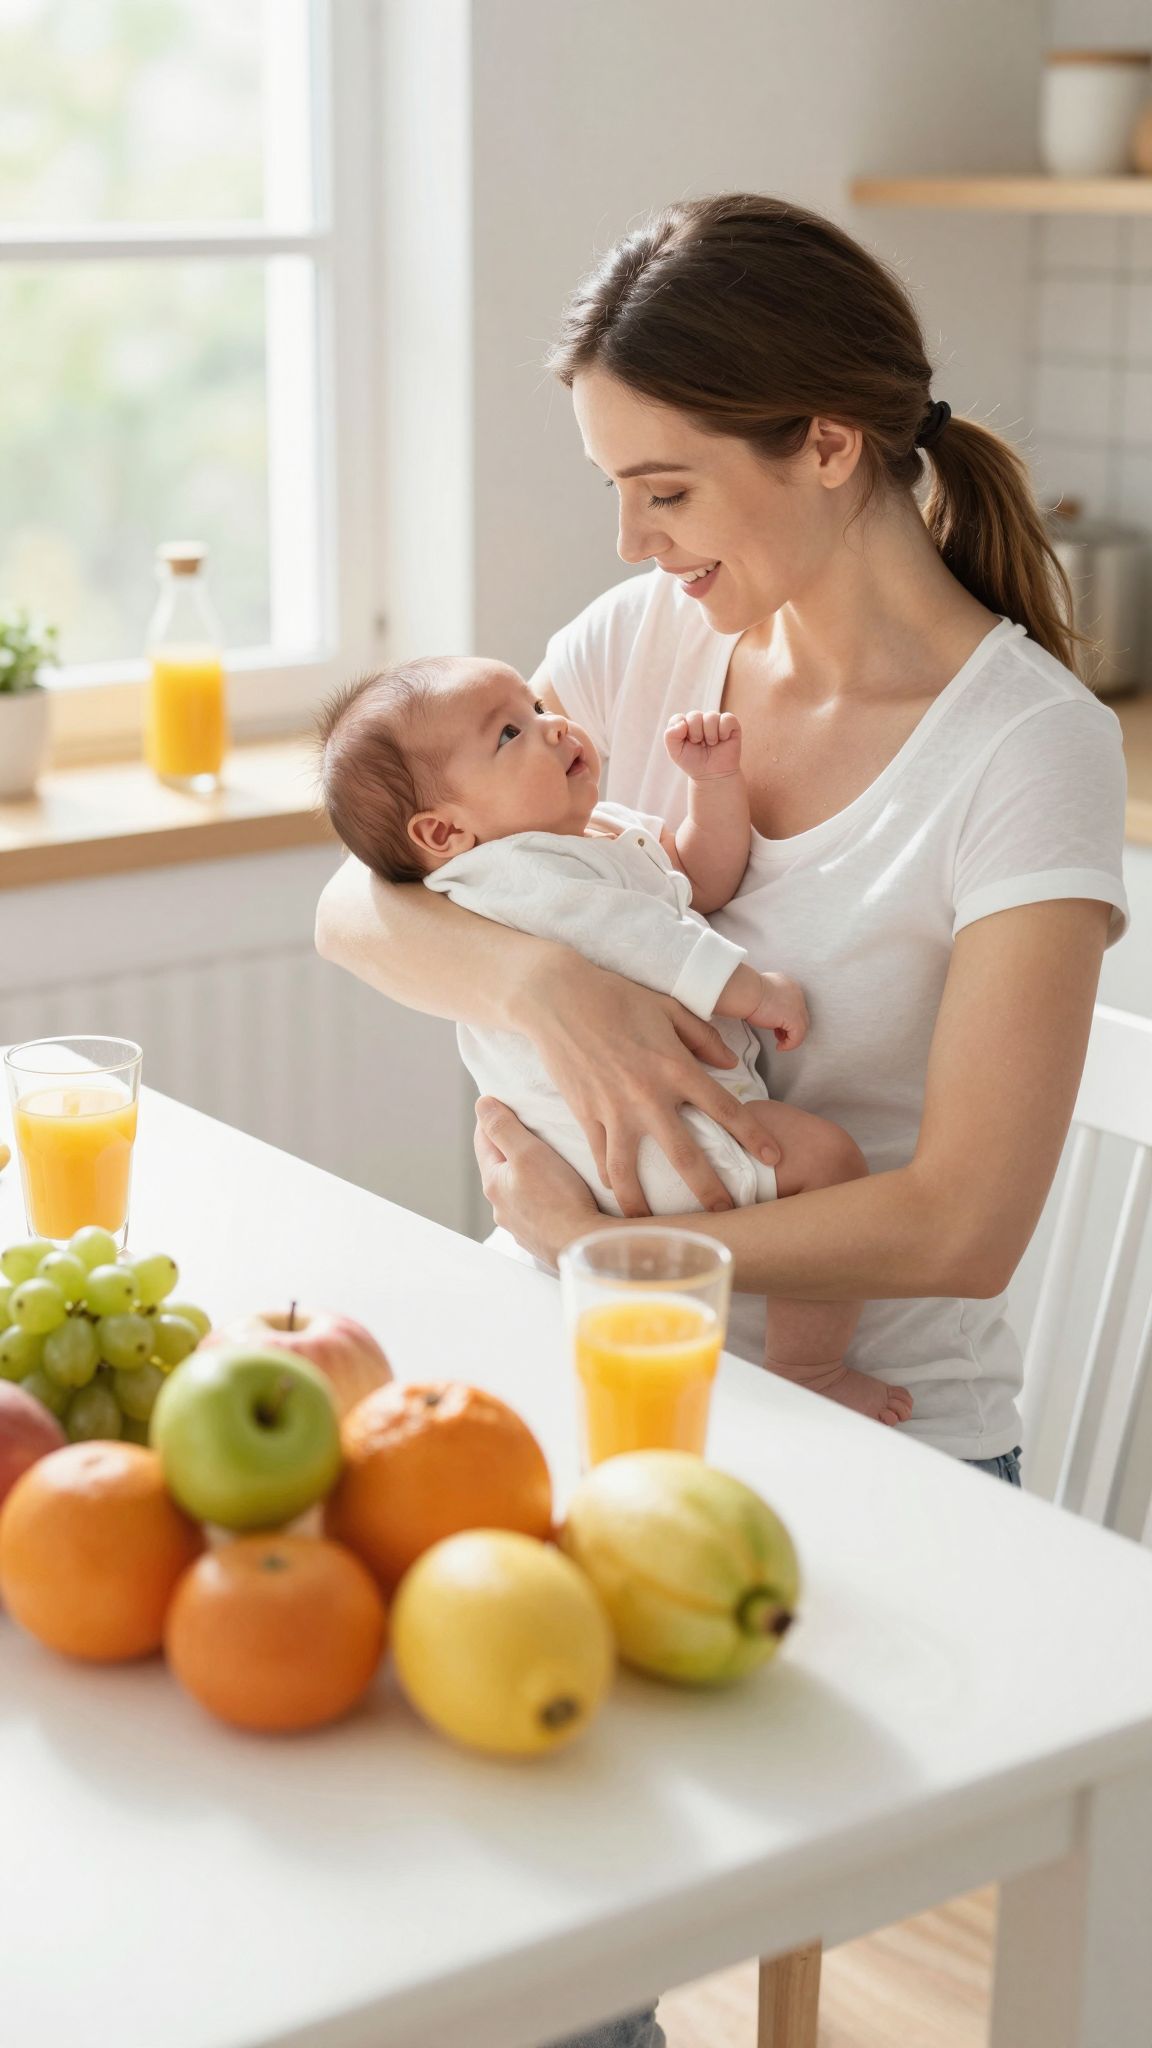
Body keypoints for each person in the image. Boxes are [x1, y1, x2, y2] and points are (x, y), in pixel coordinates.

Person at [315, 193, 1128, 2048]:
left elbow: (958, 1226)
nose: (630, 540)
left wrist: (595, 1249)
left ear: (825, 445)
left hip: (857, 1433)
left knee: (496, 1828)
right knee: (388, 1783)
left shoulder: (1023, 754)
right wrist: (540, 991)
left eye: (664, 488)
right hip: (583, 1365)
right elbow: (362, 899)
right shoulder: (636, 645)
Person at [315, 656, 909, 1421]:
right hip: (651, 1141)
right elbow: (651, 940)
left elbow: (701, 877)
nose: (550, 722)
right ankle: (809, 1369)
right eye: (508, 733)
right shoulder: (513, 876)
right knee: (829, 1164)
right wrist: (759, 994)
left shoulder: (591, 830)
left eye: (531, 703)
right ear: (444, 830)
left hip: (594, 1157)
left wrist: (714, 785)